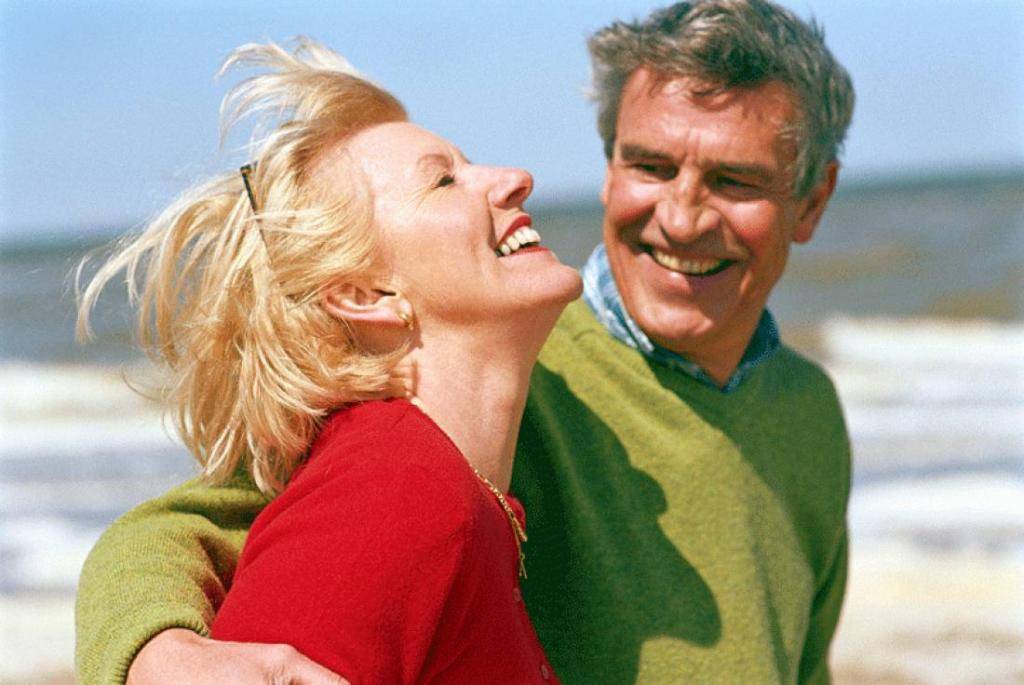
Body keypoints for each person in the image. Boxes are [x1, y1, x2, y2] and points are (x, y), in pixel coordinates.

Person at [75, 1, 855, 683]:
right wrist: (157, 650)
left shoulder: (810, 412)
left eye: (734, 181)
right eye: (649, 166)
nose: (681, 219)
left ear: (813, 200)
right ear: (610, 165)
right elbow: (176, 532)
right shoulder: (493, 375)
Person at [75, 39, 582, 684]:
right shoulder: (396, 489)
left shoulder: (452, 485)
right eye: (445, 180)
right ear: (365, 295)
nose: (514, 178)